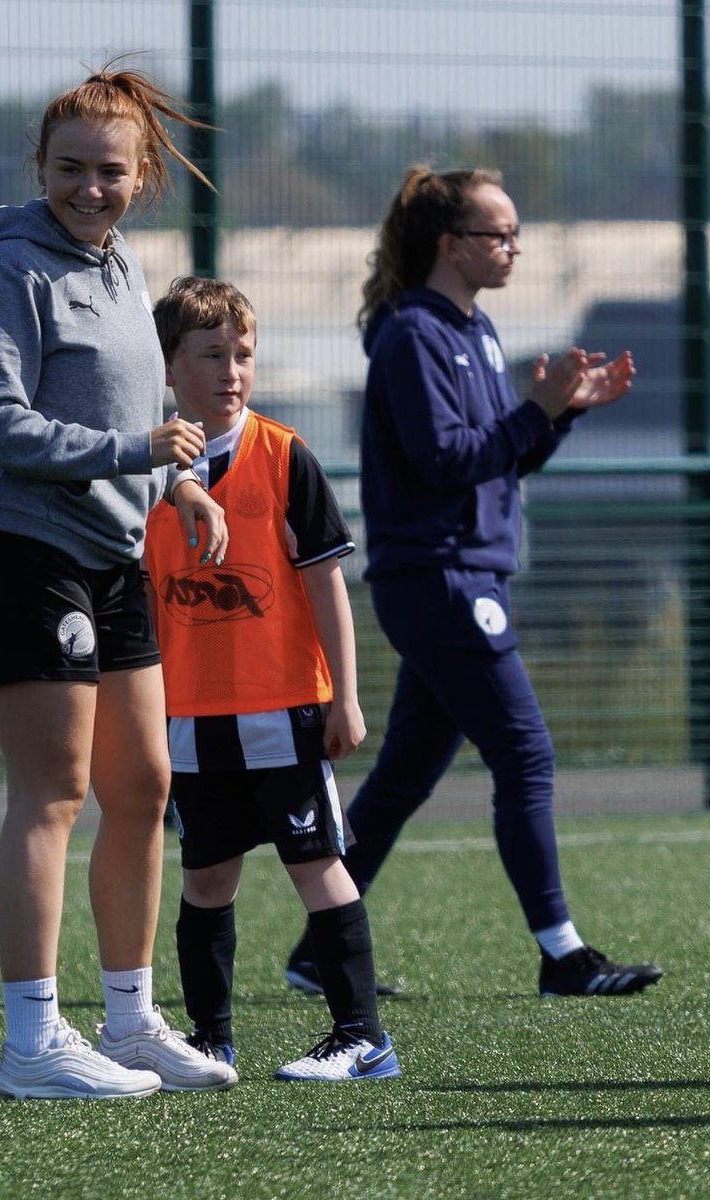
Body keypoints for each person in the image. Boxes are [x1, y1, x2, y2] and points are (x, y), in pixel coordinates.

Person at [284, 164, 662, 999]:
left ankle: (317, 951)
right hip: (441, 579)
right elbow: (444, 461)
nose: (514, 247)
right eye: (500, 233)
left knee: (406, 775)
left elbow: (504, 459)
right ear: (451, 244)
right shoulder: (411, 334)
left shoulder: (477, 330)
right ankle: (563, 954)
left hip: (467, 572)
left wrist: (563, 411)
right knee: (525, 754)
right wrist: (538, 410)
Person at [0, 65, 239, 1100]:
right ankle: (31, 1042)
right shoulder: (12, 271)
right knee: (54, 794)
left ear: (143, 174)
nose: (89, 187)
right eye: (68, 168)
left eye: (110, 170)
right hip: (25, 556)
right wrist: (135, 450)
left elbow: (142, 428)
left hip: (112, 561)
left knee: (145, 788)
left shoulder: (122, 268)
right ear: (40, 167)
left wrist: (182, 487)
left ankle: (128, 1022)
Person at [144, 275, 399, 1082]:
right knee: (206, 874)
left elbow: (327, 583)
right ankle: (209, 1038)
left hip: (283, 707)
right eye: (211, 355)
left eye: (242, 354)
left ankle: (363, 1037)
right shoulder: (147, 472)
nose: (231, 371)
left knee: (314, 863)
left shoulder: (284, 456)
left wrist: (346, 696)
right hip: (186, 716)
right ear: (170, 369)